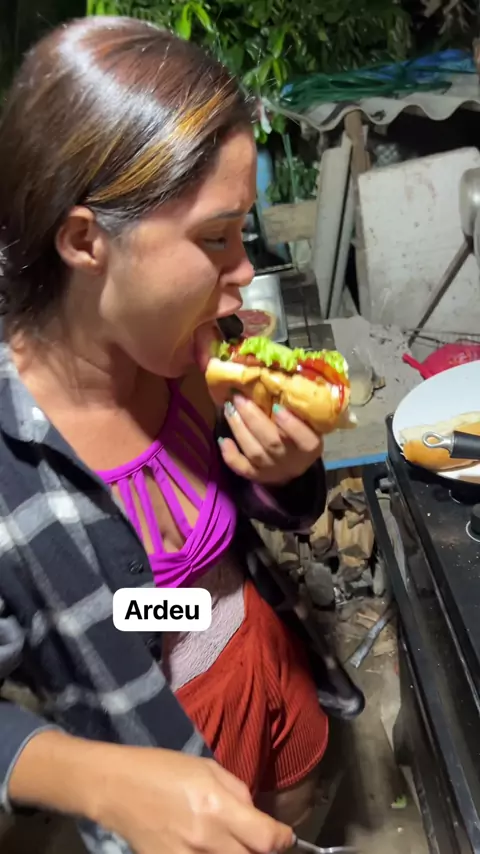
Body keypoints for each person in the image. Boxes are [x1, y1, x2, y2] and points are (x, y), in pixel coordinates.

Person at [0, 16, 330, 854]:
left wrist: (286, 474)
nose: (245, 270)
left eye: (242, 230)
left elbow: (268, 522)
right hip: (159, 736)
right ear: (85, 241)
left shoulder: (199, 351)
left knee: (297, 806)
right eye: (215, 237)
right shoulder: (12, 461)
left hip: (269, 655)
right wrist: (92, 778)